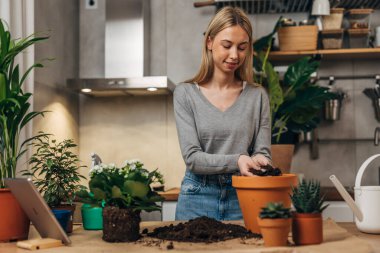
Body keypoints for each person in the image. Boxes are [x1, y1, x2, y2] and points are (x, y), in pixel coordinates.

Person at [173, 6, 271, 221]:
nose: (235, 55)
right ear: (209, 43)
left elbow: (262, 151)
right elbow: (192, 159)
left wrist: (261, 161)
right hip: (197, 196)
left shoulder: (257, 96)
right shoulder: (185, 94)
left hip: (244, 195)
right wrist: (238, 160)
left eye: (242, 47)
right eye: (227, 45)